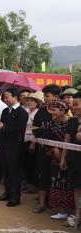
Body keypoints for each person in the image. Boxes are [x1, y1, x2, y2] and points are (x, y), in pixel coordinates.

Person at [38, 100, 73, 220]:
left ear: (63, 111)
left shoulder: (70, 123)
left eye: (54, 110)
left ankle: (72, 212)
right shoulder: (50, 124)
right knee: (56, 183)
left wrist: (63, 155)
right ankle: (61, 211)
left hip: (69, 159)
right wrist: (53, 150)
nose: (51, 112)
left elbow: (72, 142)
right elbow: (44, 138)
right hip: (54, 158)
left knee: (70, 184)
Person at [0, 87, 28, 207]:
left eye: (7, 96)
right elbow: (3, 127)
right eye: (4, 96)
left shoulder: (22, 112)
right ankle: (7, 192)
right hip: (3, 144)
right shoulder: (5, 111)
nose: (5, 99)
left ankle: (15, 197)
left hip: (15, 146)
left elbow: (20, 130)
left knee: (14, 172)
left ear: (15, 97)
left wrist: (4, 127)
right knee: (5, 170)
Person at [32, 84, 62, 213]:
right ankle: (42, 203)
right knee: (43, 175)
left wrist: (55, 147)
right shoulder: (41, 111)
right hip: (43, 149)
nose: (45, 99)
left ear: (55, 97)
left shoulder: (63, 111)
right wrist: (43, 143)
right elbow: (34, 128)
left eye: (47, 96)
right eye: (44, 96)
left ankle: (56, 204)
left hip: (58, 151)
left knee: (57, 177)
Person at [61, 91, 81, 226]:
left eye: (77, 104)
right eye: (73, 105)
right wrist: (63, 158)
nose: (74, 107)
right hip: (74, 159)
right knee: (76, 188)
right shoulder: (73, 121)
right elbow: (67, 140)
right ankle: (78, 217)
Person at [22, 92, 43, 194]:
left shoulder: (37, 113)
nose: (30, 102)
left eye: (32, 101)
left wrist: (33, 143)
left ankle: (32, 187)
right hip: (25, 139)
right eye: (28, 100)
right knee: (26, 164)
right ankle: (27, 184)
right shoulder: (27, 112)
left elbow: (37, 129)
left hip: (32, 141)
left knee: (32, 164)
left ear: (37, 103)